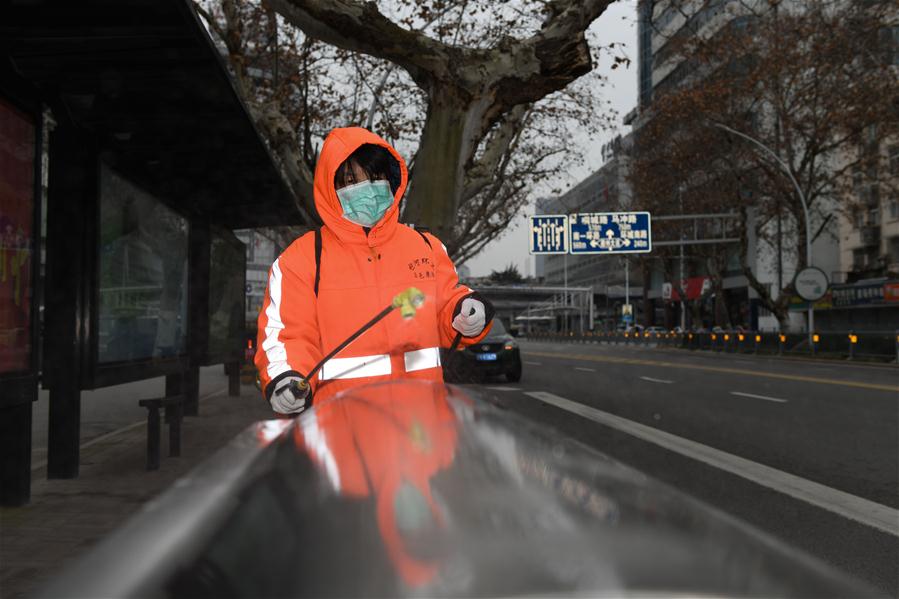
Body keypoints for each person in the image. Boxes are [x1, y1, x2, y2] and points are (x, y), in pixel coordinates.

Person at [255, 127, 494, 414]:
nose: (367, 188)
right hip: (341, 431)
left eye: (376, 177)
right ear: (331, 188)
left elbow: (446, 303)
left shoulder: (425, 246)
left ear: (390, 180)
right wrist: (285, 377)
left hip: (422, 427)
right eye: (351, 180)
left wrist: (465, 310)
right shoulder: (301, 259)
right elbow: (286, 335)